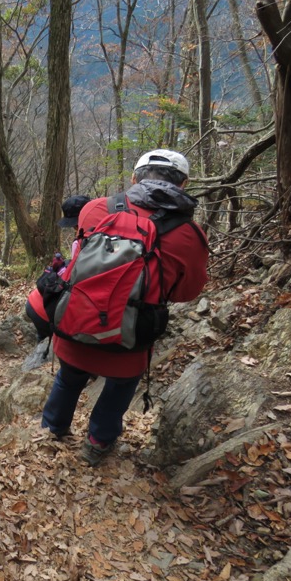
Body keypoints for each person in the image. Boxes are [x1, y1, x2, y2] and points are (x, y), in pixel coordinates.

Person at [41, 149, 209, 466]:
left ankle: (52, 430)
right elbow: (187, 292)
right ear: (183, 184)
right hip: (131, 335)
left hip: (77, 323)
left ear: (134, 178)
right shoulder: (189, 235)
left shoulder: (95, 210)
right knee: (120, 386)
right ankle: (98, 442)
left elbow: (79, 262)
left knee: (69, 377)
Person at [25, 195, 91, 342]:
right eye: (74, 225)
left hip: (38, 304)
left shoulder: (81, 242)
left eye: (76, 224)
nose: (75, 228)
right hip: (46, 311)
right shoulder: (83, 242)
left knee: (44, 345)